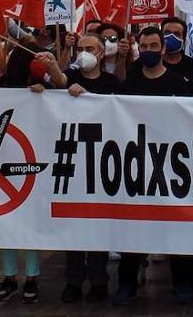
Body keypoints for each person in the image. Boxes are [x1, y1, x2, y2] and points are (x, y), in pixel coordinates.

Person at [112, 26, 193, 306]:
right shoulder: (130, 83)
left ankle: (181, 282)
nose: (148, 51)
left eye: (153, 46)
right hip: (137, 165)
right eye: (143, 47)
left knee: (176, 227)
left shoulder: (179, 84)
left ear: (163, 48)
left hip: (172, 166)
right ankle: (127, 283)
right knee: (134, 228)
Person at [0, 43, 63, 304]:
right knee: (7, 221)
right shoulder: (6, 87)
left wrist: (45, 94)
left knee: (30, 221)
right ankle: (9, 275)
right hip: (6, 162)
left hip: (36, 162)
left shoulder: (47, 87)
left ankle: (32, 276)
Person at [63, 33, 118, 304]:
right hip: (72, 160)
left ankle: (98, 280)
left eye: (90, 48)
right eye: (81, 48)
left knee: (97, 225)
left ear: (101, 53)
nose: (84, 52)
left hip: (101, 161)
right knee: (73, 226)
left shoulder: (111, 83)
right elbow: (55, 83)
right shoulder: (70, 80)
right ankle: (73, 281)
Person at [160, 15, 193, 91]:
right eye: (167, 32)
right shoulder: (149, 64)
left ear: (184, 39)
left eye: (176, 34)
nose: (171, 36)